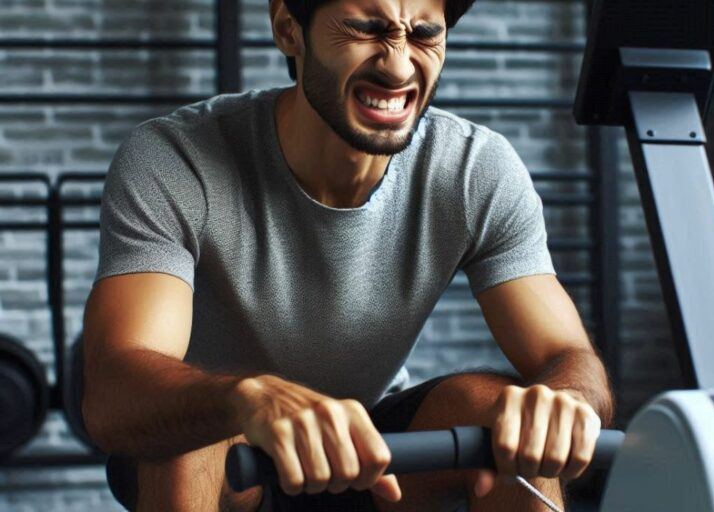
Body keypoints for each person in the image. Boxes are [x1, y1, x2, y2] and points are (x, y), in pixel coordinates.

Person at [81, 0, 614, 510]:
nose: (399, 65)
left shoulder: (476, 168)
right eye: (366, 29)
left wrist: (565, 403)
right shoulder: (173, 160)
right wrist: (248, 397)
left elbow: (568, 357)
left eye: (425, 35)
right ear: (289, 27)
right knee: (186, 443)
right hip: (227, 456)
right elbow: (111, 393)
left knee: (505, 414)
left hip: (376, 458)